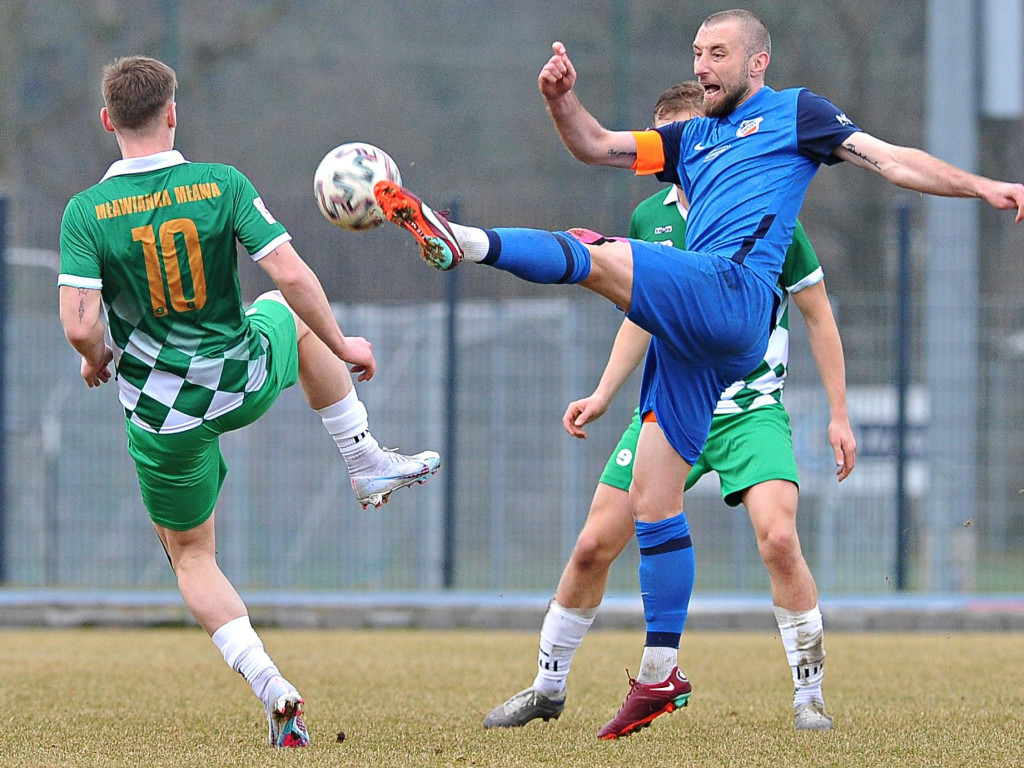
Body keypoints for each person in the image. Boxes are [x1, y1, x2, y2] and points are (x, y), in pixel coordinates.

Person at [373, 8, 1024, 740]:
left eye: (717, 52)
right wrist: (561, 100)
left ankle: (460, 240)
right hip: (694, 336)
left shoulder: (797, 115)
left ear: (757, 64)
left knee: (595, 250)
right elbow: (594, 144)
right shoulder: (688, 140)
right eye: (696, 52)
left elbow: (893, 158)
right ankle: (658, 676)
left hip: (737, 296)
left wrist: (980, 186)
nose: (703, 63)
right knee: (652, 499)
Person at [57, 56, 440, 748]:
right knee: (278, 309)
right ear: (172, 113)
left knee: (192, 557)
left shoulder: (86, 211)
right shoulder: (220, 184)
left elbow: (80, 323)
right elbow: (289, 273)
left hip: (161, 413)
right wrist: (343, 342)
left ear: (109, 121)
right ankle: (363, 459)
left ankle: (272, 685)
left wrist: (95, 360)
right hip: (239, 376)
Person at [482, 81, 855, 736]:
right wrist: (603, 392)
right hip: (666, 405)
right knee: (595, 544)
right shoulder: (650, 218)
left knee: (779, 538)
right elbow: (643, 313)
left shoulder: (767, 207)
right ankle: (547, 686)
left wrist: (839, 413)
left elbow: (819, 317)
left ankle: (809, 695)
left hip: (748, 409)